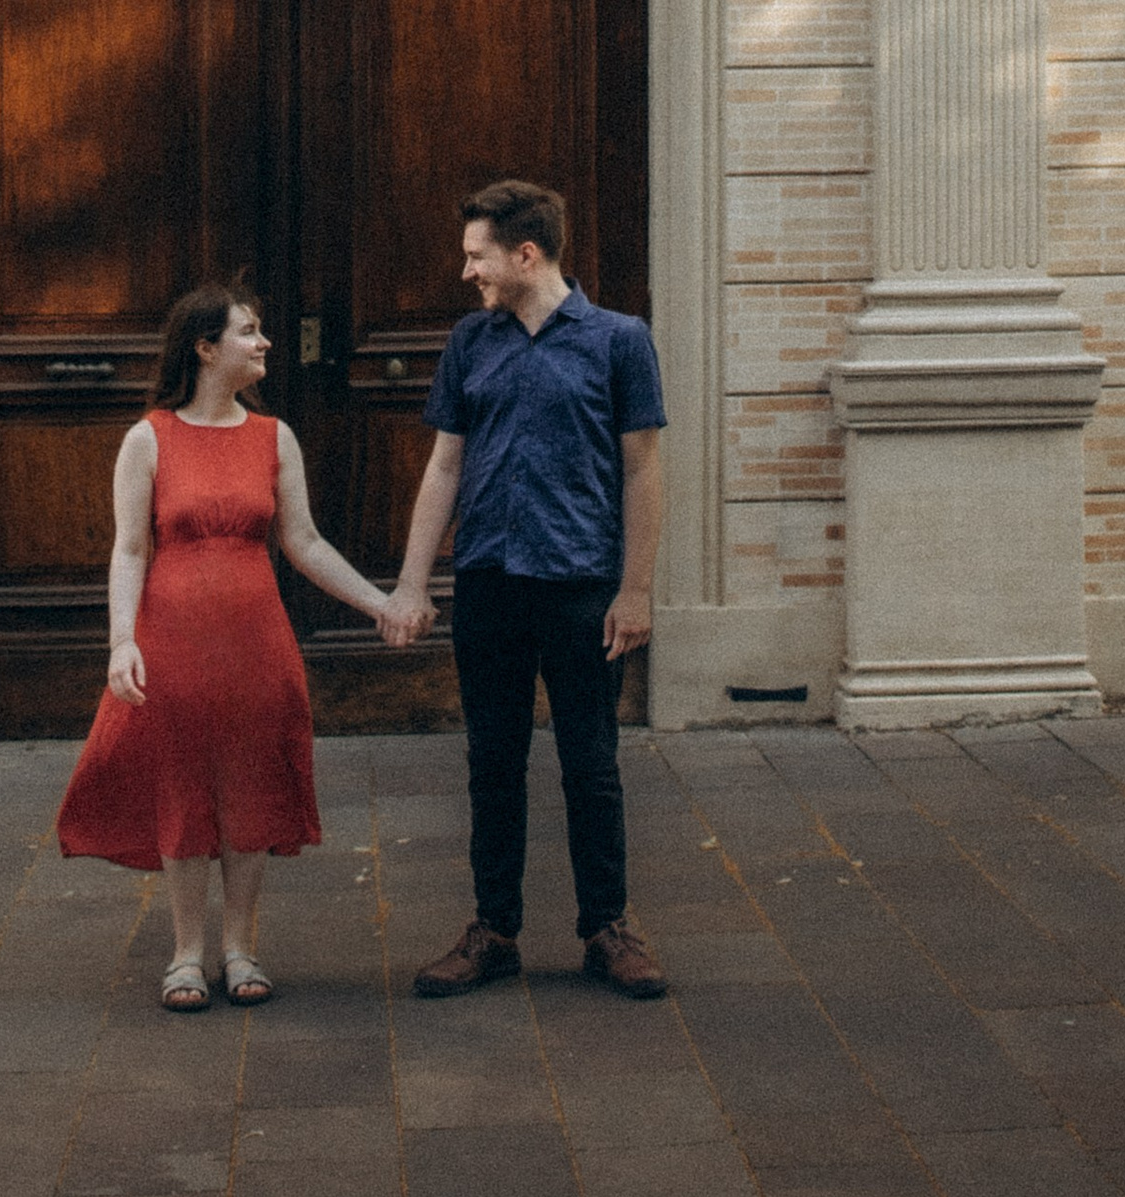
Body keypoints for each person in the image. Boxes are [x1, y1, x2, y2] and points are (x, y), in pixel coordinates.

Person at [56, 279, 398, 1010]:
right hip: (173, 639)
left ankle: (240, 947)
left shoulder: (274, 437)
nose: (265, 342)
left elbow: (303, 542)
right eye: (249, 331)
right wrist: (121, 643)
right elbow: (129, 550)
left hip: (255, 641)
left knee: (247, 783)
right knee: (182, 782)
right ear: (206, 348)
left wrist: (380, 603)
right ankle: (186, 952)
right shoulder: (148, 437)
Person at [382, 178, 669, 1000]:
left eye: (478, 255)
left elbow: (644, 469)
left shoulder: (619, 341)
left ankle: (607, 927)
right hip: (490, 583)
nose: (467, 269)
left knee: (592, 763)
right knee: (492, 762)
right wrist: (412, 583)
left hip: (581, 584)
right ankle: (494, 930)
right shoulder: (472, 343)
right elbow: (444, 466)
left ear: (526, 253)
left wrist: (637, 590)